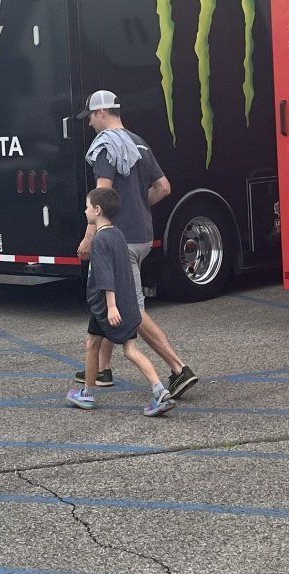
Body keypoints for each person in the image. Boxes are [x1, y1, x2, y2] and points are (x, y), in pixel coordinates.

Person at [74, 89, 198, 400]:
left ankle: (178, 368)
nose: (89, 123)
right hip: (142, 234)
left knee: (131, 308)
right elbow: (163, 187)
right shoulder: (137, 142)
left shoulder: (105, 148)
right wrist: (139, 207)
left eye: (90, 116)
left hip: (119, 240)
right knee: (110, 298)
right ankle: (101, 369)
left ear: (102, 113)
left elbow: (101, 199)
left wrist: (89, 237)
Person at [67, 187, 174, 417]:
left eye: (87, 207)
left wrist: (111, 306)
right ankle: (160, 390)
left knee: (91, 345)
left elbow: (105, 275)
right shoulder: (118, 234)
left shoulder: (100, 240)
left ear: (97, 210)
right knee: (130, 350)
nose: (85, 211)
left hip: (106, 307)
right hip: (126, 304)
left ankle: (87, 393)